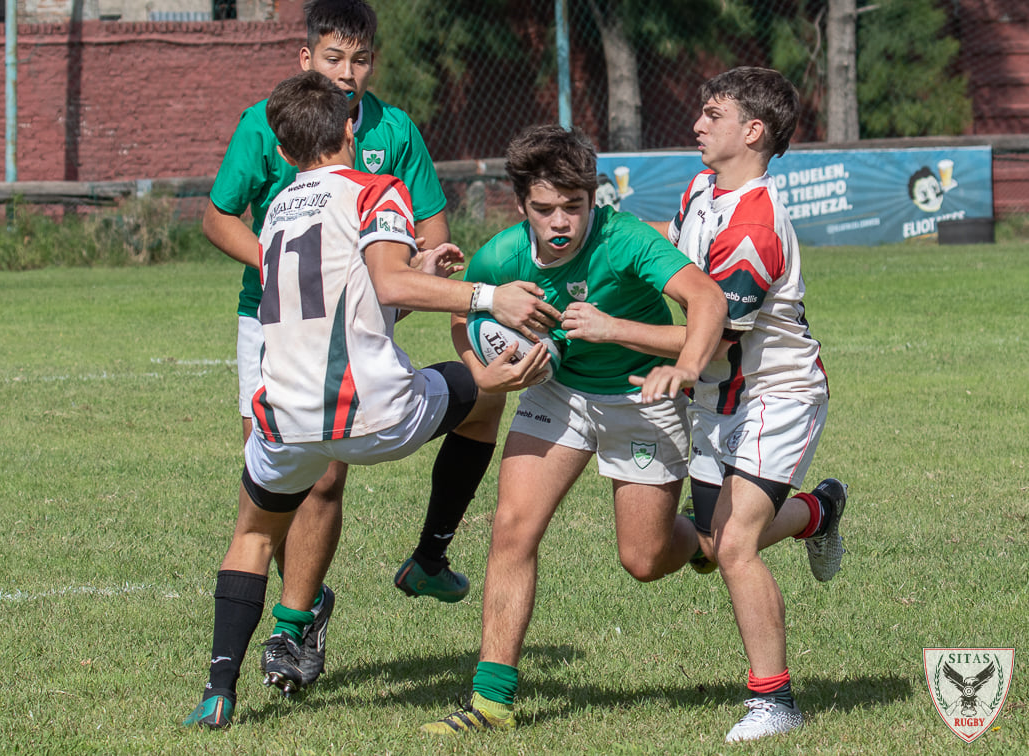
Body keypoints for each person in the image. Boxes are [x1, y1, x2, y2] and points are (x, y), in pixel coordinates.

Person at [186, 71, 558, 729]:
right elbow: (387, 284)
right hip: (378, 415)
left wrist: (422, 272)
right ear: (349, 129)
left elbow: (354, 295)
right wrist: (486, 295)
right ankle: (431, 557)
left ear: (284, 148)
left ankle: (218, 692)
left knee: (250, 533)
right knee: (486, 394)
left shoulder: (276, 211)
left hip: (287, 423)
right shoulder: (377, 190)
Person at [420, 124, 728, 736]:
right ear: (521, 206)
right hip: (558, 394)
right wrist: (486, 374)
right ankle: (491, 702)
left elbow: (708, 301)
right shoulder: (502, 256)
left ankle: (702, 541)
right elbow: (463, 310)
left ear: (595, 200)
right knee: (512, 526)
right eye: (544, 209)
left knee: (643, 558)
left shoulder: (627, 241)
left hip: (642, 396)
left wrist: (650, 349)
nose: (560, 222)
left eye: (573, 207)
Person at [572, 67, 848, 742]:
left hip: (774, 398)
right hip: (716, 398)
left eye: (712, 114)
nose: (697, 124)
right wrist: (598, 231)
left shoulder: (755, 226)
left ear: (752, 131)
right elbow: (669, 245)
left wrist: (612, 329)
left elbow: (711, 331)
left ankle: (775, 702)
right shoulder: (706, 187)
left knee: (734, 548)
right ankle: (818, 512)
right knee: (708, 545)